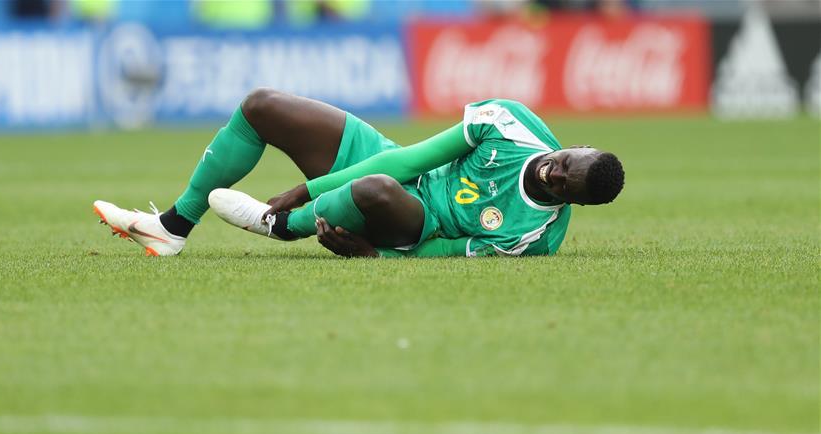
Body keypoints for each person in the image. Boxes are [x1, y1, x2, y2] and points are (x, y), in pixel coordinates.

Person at [93, 89, 624, 258]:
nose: (555, 172)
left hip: (413, 220)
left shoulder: (534, 236)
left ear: (571, 201)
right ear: (576, 146)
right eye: (566, 161)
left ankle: (279, 226)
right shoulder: (512, 123)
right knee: (263, 106)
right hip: (393, 164)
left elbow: (439, 253)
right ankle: (173, 227)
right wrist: (308, 187)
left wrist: (374, 255)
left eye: (563, 185)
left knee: (375, 190)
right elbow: (408, 159)